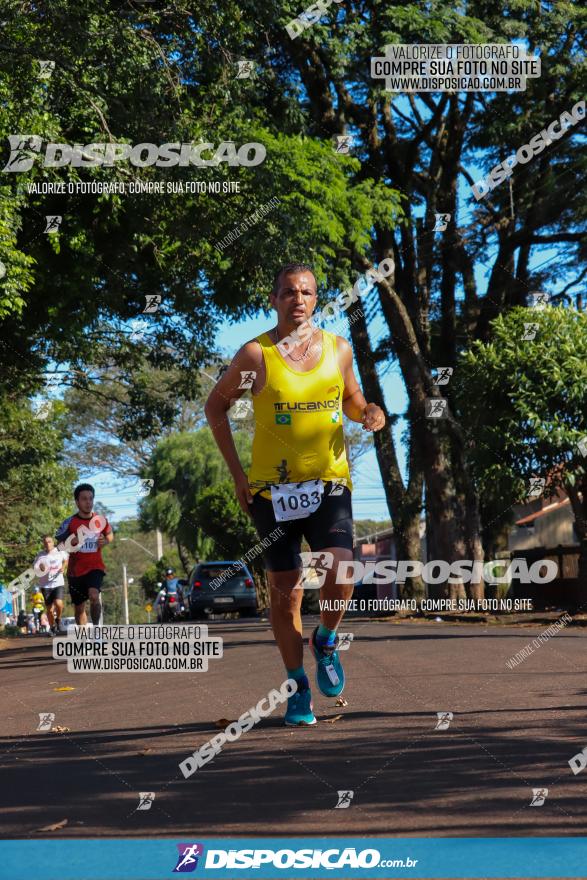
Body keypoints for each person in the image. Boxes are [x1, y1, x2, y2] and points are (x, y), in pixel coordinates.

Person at [205, 263, 385, 726]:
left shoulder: (337, 349)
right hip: (271, 492)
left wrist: (368, 411)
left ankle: (325, 639)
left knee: (342, 569)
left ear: (316, 300)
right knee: (284, 595)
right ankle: (297, 685)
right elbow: (216, 405)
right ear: (274, 299)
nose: (298, 299)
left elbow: (349, 397)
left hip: (329, 482)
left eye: (306, 292)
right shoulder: (256, 356)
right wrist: (237, 474)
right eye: (288, 291)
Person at [56, 484, 114, 626]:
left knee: (94, 596)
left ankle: (96, 631)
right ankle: (84, 639)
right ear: (77, 502)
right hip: (75, 572)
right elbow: (59, 546)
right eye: (84, 499)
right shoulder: (69, 523)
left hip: (95, 567)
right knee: (79, 608)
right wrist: (71, 542)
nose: (88, 502)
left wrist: (105, 541)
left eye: (90, 499)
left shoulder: (100, 520)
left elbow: (110, 535)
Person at [33, 535, 68, 635]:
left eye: (49, 542)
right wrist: (41, 568)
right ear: (43, 544)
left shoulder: (60, 552)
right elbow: (36, 568)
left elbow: (66, 560)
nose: (47, 544)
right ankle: (52, 627)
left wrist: (64, 567)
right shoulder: (40, 555)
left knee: (59, 603)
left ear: (53, 543)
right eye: (45, 542)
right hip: (45, 585)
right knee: (50, 609)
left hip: (58, 583)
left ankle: (59, 619)